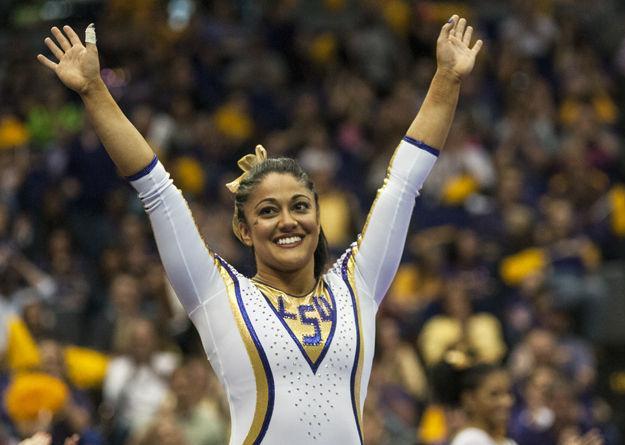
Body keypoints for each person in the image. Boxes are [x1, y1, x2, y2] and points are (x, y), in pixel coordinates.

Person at [37, 16, 482, 444]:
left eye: (300, 206)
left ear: (318, 217)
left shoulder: (357, 285)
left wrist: (447, 78)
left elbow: (404, 184)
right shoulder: (219, 295)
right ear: (243, 229)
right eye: (268, 211)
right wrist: (94, 90)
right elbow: (157, 190)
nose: (288, 221)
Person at [433, 363, 517, 445]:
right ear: (470, 399)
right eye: (494, 394)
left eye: (508, 393)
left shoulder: (504, 441)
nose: (506, 401)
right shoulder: (471, 440)